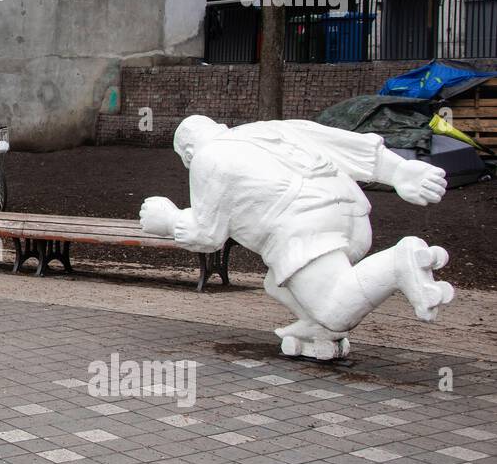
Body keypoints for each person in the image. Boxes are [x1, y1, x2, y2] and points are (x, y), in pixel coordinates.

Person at [140, 115, 454, 360]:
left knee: (336, 306)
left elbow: (207, 235)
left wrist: (168, 220)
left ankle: (399, 263)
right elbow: (337, 142)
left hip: (304, 227)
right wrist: (399, 172)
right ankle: (318, 330)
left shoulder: (208, 157)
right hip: (352, 214)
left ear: (187, 152)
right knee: (276, 281)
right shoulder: (266, 129)